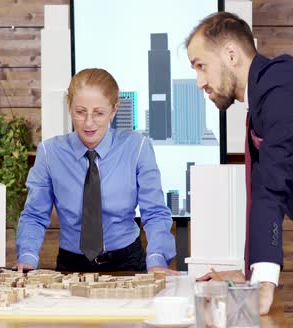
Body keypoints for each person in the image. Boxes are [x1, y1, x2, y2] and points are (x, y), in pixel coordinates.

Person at [186, 12, 293, 328]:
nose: (200, 82)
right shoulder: (265, 101)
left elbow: (271, 188)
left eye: (201, 66)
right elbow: (264, 192)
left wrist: (265, 283)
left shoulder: (281, 87)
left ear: (230, 54)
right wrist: (251, 274)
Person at [15, 68, 178, 274]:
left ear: (114, 110)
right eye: (80, 112)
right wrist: (27, 258)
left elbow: (154, 213)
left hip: (127, 262)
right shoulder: (50, 153)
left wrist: (156, 261)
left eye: (99, 113)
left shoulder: (137, 148)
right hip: (71, 265)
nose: (89, 123)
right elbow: (34, 215)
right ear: (69, 107)